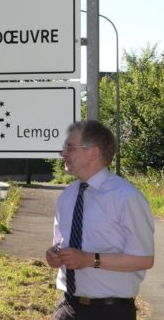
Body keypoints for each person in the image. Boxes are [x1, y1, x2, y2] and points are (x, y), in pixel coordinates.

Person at [46, 120, 154, 320]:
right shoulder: (67, 196)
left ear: (93, 152)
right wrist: (55, 255)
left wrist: (88, 259)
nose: (63, 153)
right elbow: (60, 244)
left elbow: (144, 259)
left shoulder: (127, 197)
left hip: (110, 311)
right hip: (68, 307)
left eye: (70, 147)